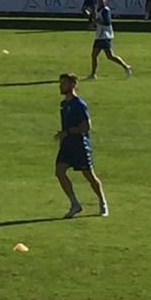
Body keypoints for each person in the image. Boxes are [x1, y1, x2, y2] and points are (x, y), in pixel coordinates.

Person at [55, 73, 108, 218]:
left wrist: (68, 131)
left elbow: (86, 126)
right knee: (59, 171)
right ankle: (74, 204)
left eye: (64, 83)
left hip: (79, 145)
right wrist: (62, 136)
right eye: (60, 83)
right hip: (67, 145)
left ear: (72, 85)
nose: (60, 86)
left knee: (89, 176)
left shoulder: (79, 104)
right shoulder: (63, 104)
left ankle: (102, 202)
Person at [88, 0, 131, 80]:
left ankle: (126, 66)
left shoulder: (105, 10)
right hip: (99, 35)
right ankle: (93, 74)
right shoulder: (98, 9)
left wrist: (97, 21)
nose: (100, 2)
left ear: (105, 1)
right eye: (99, 0)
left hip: (105, 36)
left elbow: (107, 22)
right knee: (95, 55)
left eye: (102, 0)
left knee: (109, 56)